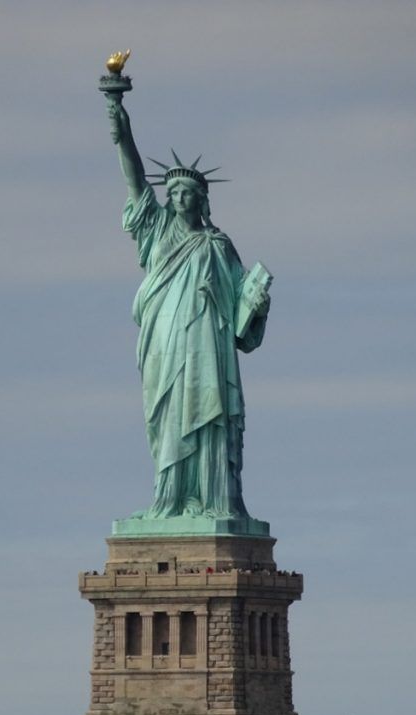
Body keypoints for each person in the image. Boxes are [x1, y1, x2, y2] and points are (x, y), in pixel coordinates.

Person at [106, 97, 271, 521]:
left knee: (208, 413)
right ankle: (171, 499)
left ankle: (214, 499)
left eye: (187, 193)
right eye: (173, 191)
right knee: (167, 417)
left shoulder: (219, 245)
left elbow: (240, 320)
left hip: (207, 347)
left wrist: (257, 304)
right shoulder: (156, 228)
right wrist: (120, 122)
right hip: (164, 340)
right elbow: (134, 179)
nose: (178, 198)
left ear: (202, 200)